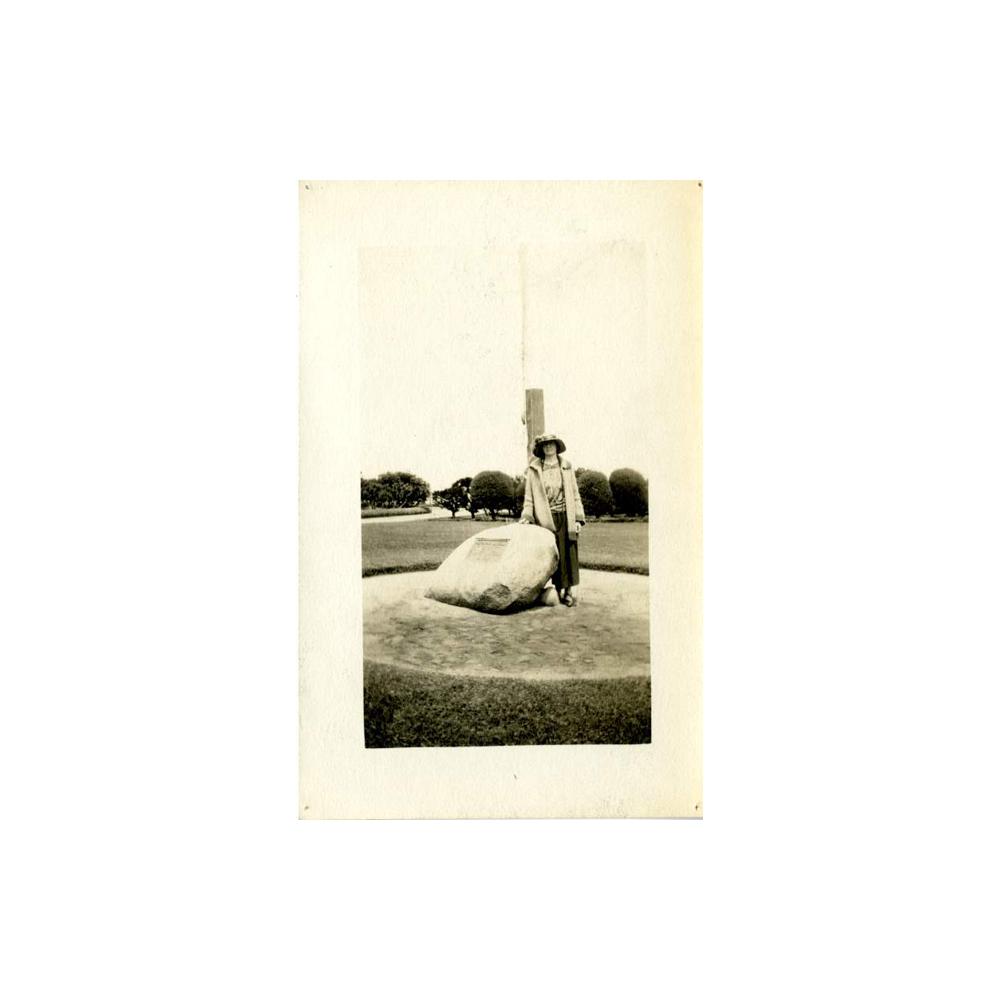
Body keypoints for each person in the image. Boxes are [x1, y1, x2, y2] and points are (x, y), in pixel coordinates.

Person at [519, 432, 586, 606]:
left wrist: (578, 519)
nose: (549, 447)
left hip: (566, 515)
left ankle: (569, 590)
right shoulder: (534, 470)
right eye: (545, 445)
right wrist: (527, 516)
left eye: (552, 444)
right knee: (554, 555)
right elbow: (529, 498)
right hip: (546, 519)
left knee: (568, 554)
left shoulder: (566, 467)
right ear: (541, 448)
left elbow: (575, 494)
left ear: (557, 446)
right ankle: (558, 590)